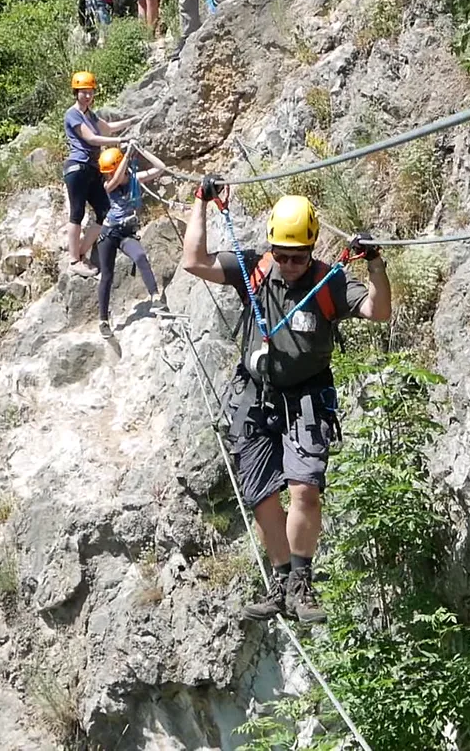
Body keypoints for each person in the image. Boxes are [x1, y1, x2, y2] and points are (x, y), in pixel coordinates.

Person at [182, 181, 391, 623]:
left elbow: (378, 311)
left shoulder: (327, 281)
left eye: (299, 256)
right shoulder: (254, 270)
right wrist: (201, 201)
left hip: (307, 397)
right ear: (273, 247)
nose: (291, 264)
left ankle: (301, 581)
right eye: (283, 255)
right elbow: (193, 261)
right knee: (261, 496)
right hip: (255, 397)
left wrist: (375, 265)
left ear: (312, 249)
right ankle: (280, 583)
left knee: (305, 489)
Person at [63, 72, 139, 278]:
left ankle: (80, 253)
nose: (87, 96)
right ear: (76, 93)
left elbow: (108, 128)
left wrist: (132, 121)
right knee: (77, 213)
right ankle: (73, 260)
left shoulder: (90, 114)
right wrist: (120, 143)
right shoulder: (73, 114)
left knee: (104, 209)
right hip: (77, 168)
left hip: (91, 169)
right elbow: (93, 138)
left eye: (90, 92)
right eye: (83, 93)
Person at [95, 146, 169, 337]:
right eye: (108, 173)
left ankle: (155, 297)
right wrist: (127, 155)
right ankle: (103, 320)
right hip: (109, 234)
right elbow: (118, 179)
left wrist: (141, 150)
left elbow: (160, 167)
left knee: (141, 256)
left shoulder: (135, 178)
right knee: (107, 275)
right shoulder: (108, 186)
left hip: (126, 233)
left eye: (111, 171)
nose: (109, 175)